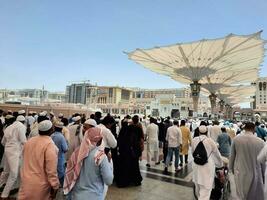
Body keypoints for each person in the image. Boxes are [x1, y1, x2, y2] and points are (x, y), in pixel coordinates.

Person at [63, 127, 113, 200]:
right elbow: (108, 180)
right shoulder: (100, 156)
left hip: (76, 196)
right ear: (100, 140)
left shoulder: (76, 153)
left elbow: (70, 174)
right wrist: (109, 163)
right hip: (94, 196)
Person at [18, 120, 60, 200]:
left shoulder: (29, 141)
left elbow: (23, 160)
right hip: (40, 186)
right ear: (52, 130)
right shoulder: (49, 145)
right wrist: (55, 185)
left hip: (26, 181)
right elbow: (51, 170)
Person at [229, 122, 265, 200]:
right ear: (254, 129)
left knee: (241, 194)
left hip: (240, 170)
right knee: (254, 195)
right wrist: (263, 173)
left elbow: (232, 156)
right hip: (255, 172)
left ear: (244, 128)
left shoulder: (236, 139)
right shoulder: (260, 142)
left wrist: (230, 169)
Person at [192, 125, 223, 200]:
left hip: (196, 165)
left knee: (197, 187)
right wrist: (220, 164)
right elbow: (217, 154)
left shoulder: (194, 140)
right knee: (206, 190)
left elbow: (193, 152)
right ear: (207, 132)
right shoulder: (210, 141)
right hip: (207, 166)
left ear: (199, 132)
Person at [0, 115, 27, 198]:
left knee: (6, 171)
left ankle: (0, 185)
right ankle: (4, 194)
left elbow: (3, 142)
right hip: (15, 152)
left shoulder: (9, 127)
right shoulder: (22, 127)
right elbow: (23, 141)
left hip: (7, 151)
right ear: (23, 121)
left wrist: (9, 146)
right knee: (14, 175)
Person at [117, 115, 144, 187]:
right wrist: (141, 150)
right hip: (135, 150)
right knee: (135, 165)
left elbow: (120, 140)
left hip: (126, 150)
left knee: (126, 165)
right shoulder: (138, 128)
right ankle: (135, 180)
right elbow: (141, 140)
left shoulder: (125, 129)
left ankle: (126, 181)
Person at [51, 121, 69, 186]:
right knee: (60, 174)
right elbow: (65, 149)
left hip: (51, 159)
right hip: (59, 159)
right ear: (61, 129)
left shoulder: (51, 135)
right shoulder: (61, 137)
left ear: (54, 128)